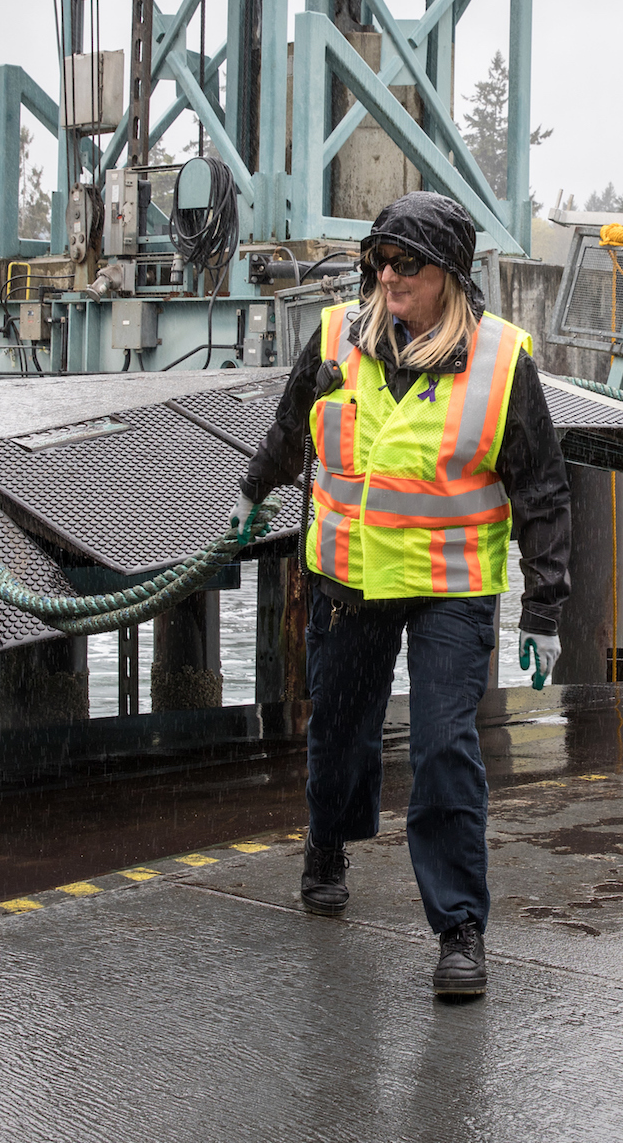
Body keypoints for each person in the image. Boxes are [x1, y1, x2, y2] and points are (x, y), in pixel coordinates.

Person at [230, 191, 570, 998]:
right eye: (378, 261)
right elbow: (291, 426)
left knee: (442, 747)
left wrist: (545, 606)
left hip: (451, 585)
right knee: (341, 731)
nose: (387, 276)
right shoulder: (336, 341)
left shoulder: (502, 362)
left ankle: (460, 928)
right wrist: (254, 492)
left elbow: (544, 492)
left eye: (405, 263)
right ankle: (328, 840)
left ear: (447, 274)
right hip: (349, 575)